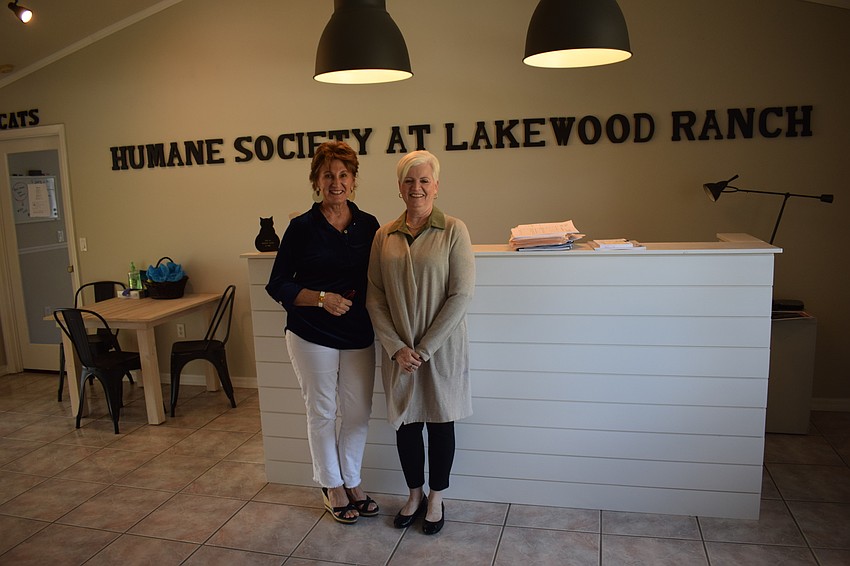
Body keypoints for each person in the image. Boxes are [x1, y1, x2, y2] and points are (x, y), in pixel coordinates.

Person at [265, 141, 380, 524]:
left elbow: (380, 278)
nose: (336, 182)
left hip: (357, 331)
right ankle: (333, 487)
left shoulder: (369, 225)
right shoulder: (301, 227)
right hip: (311, 331)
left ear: (353, 180)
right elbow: (277, 283)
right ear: (316, 181)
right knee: (323, 411)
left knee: (358, 413)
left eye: (343, 174)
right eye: (328, 175)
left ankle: (352, 480)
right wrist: (320, 299)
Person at [366, 150, 475, 535]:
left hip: (440, 350)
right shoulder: (384, 235)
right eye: (409, 181)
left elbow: (461, 295)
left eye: (424, 180)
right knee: (407, 425)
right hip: (399, 352)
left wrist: (425, 348)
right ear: (399, 188)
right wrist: (396, 347)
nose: (417, 188)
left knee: (441, 423)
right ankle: (414, 494)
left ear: (436, 186)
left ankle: (436, 498)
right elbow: (375, 297)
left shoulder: (454, 230)